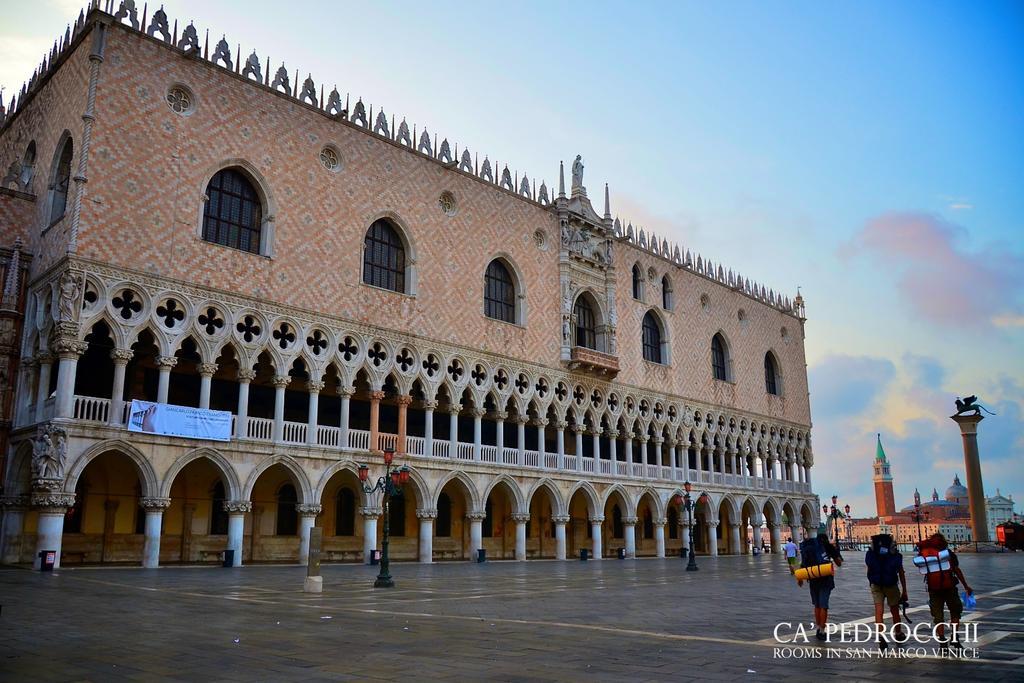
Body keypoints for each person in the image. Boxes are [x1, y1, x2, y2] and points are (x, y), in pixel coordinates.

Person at [918, 533, 973, 647]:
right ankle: (954, 637)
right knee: (955, 612)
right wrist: (966, 586)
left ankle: (942, 640)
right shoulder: (948, 554)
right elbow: (956, 570)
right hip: (950, 587)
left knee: (938, 616)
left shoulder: (926, 555)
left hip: (933, 588)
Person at [798, 524, 843, 641]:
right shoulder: (828, 547)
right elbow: (839, 563)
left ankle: (818, 627)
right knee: (824, 605)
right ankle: (822, 630)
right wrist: (834, 555)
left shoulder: (810, 548)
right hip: (826, 579)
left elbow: (803, 565)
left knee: (817, 605)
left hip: (813, 579)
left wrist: (800, 579)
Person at [865, 533, 907, 650]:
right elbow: (901, 572)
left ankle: (881, 635)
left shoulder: (871, 554)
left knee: (879, 610)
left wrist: (871, 581)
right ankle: (898, 633)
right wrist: (904, 590)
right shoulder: (894, 554)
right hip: (891, 584)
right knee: (894, 610)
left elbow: (868, 569)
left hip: (876, 584)